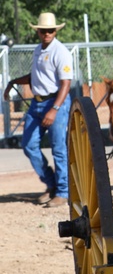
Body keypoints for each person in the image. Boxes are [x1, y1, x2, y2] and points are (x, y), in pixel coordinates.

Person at [2, 13, 73, 208]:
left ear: (55, 31)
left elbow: (66, 84)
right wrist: (12, 82)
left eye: (50, 30)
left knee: (58, 148)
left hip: (56, 101)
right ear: (38, 32)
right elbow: (34, 76)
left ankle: (63, 192)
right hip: (37, 103)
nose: (47, 34)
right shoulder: (38, 50)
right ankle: (51, 184)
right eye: (43, 31)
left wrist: (55, 110)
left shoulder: (61, 52)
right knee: (28, 144)